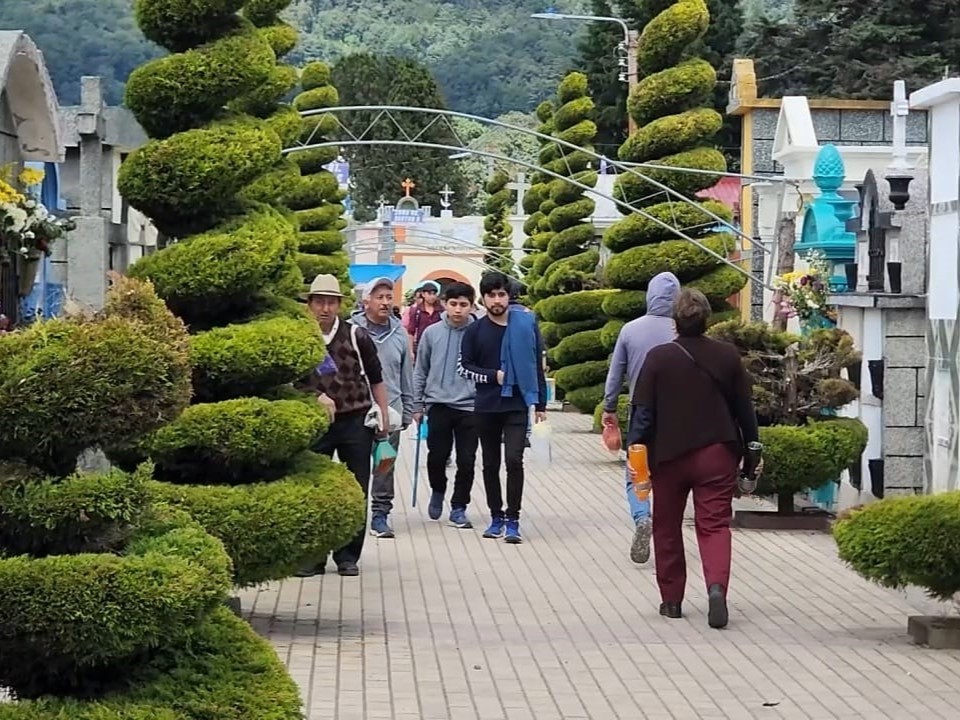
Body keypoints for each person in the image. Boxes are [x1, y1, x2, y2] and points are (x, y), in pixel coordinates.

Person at [627, 289, 759, 629]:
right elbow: (745, 410)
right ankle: (716, 587)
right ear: (708, 319)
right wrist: (751, 452)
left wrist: (635, 451)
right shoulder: (727, 356)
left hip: (668, 456)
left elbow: (642, 413)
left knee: (667, 526)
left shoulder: (658, 358)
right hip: (717, 452)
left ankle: (672, 600)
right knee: (714, 524)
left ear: (675, 323)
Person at [294, 274, 391, 577]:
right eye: (319, 301)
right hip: (315, 422)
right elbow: (286, 382)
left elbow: (376, 379)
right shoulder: (298, 338)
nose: (325, 308)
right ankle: (313, 557)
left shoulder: (356, 336)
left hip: (355, 420)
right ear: (309, 304)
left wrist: (384, 419)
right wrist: (315, 395)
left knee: (356, 488)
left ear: (339, 305)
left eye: (331, 302)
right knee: (313, 491)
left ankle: (348, 556)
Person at [457, 271, 547, 544]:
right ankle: (496, 516)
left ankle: (514, 519)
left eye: (502, 294)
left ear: (509, 296)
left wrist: (541, 403)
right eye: (492, 295)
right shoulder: (475, 330)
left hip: (517, 403)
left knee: (513, 460)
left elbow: (536, 364)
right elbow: (464, 367)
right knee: (490, 463)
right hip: (486, 405)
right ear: (483, 299)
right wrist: (491, 376)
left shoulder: (525, 325)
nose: (497, 300)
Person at [600, 272, 680, 565]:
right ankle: (666, 531)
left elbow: (615, 374)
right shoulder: (683, 330)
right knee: (672, 475)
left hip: (640, 412)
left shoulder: (630, 330)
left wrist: (609, 409)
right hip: (678, 416)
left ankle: (642, 516)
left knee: (637, 472)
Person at [350, 277, 415, 539]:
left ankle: (380, 514)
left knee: (384, 464)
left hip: (392, 410)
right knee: (354, 464)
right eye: (380, 297)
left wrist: (409, 409)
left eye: (389, 297)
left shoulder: (399, 332)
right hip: (356, 409)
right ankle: (354, 514)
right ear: (366, 301)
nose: (386, 302)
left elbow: (406, 374)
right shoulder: (351, 330)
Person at [412, 281, 478, 528]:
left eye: (464, 304)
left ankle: (459, 506)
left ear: (471, 306)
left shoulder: (479, 333)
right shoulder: (432, 333)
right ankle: (438, 490)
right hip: (438, 403)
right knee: (437, 456)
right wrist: (417, 405)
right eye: (453, 304)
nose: (458, 310)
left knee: (467, 460)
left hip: (470, 406)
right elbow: (421, 370)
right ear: (445, 304)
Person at [404, 280, 443, 357]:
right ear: (423, 294)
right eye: (429, 294)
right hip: (421, 345)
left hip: (438, 345)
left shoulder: (441, 310)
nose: (432, 296)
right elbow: (411, 332)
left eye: (434, 294)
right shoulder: (416, 310)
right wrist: (411, 351)